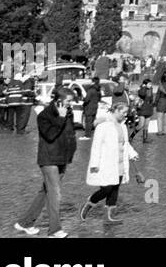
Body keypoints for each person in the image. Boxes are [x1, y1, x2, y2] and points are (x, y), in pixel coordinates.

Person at [14, 86, 78, 237]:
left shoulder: (69, 113)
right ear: (58, 100)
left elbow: (69, 134)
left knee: (45, 191)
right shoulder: (44, 115)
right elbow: (50, 135)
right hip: (49, 158)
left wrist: (71, 153)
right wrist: (61, 118)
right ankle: (54, 230)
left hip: (63, 157)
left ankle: (25, 222)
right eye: (68, 101)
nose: (70, 104)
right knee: (54, 193)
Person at [80, 101, 139, 224]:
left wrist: (132, 154)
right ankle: (89, 203)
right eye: (123, 112)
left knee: (115, 190)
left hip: (120, 163)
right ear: (116, 111)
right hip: (107, 163)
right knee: (106, 189)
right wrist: (95, 164)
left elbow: (125, 143)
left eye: (126, 113)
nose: (125, 115)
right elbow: (96, 146)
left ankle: (108, 217)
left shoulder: (122, 126)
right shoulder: (103, 125)